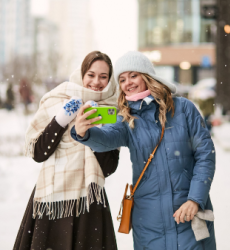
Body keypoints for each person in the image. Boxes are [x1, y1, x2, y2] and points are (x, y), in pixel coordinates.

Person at [72, 51, 216, 250]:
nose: (128, 83)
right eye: (122, 79)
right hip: (148, 223)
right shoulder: (126, 118)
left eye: (133, 75)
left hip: (189, 216)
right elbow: (106, 139)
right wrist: (84, 134)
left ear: (148, 76)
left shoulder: (184, 109)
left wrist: (195, 199)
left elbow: (205, 156)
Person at [14, 51, 120, 250]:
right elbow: (39, 152)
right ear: (82, 74)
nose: (96, 82)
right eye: (91, 74)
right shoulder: (58, 99)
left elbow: (108, 167)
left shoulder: (110, 110)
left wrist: (90, 134)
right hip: (51, 199)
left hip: (89, 202)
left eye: (103, 76)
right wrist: (61, 119)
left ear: (109, 79)